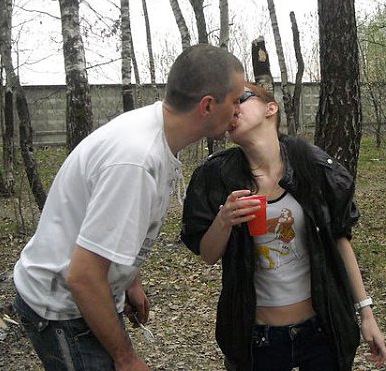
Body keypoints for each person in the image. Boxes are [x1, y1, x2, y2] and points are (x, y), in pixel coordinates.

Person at [13, 44, 246, 371]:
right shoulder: (136, 160)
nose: (239, 111)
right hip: (62, 310)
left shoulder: (157, 133)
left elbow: (112, 229)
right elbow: (82, 276)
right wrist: (126, 358)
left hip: (89, 295)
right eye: (236, 101)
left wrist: (130, 280)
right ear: (207, 105)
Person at [181, 83, 386, 371]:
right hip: (259, 340)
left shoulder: (312, 166)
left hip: (320, 332)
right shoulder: (218, 175)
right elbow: (208, 254)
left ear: (271, 108)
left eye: (239, 99)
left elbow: (340, 241)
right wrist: (224, 220)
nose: (231, 108)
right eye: (226, 104)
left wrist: (366, 313)